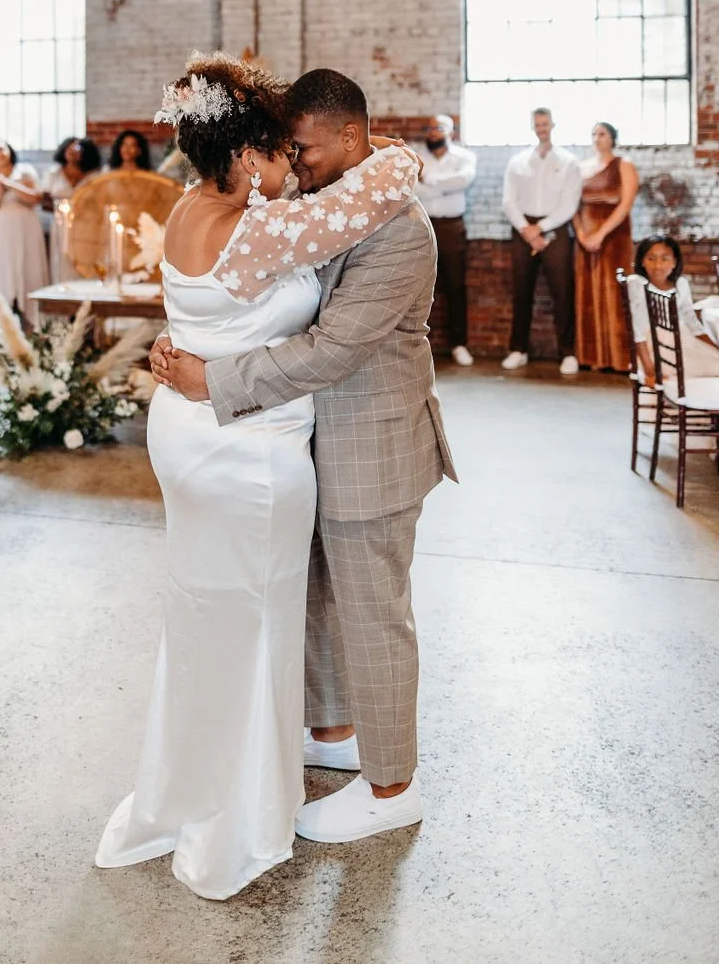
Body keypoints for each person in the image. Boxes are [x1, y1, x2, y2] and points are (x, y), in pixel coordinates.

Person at [144, 65, 455, 875]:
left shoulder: (399, 231)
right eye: (289, 151)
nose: (299, 166)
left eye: (308, 149)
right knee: (318, 600)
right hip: (298, 442)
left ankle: (393, 791)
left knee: (374, 614)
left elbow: (333, 348)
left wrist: (210, 377)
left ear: (351, 138)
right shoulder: (304, 208)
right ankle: (335, 735)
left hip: (372, 442)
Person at [501, 107, 583, 374]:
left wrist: (541, 228)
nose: (541, 128)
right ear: (532, 126)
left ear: (553, 125)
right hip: (523, 228)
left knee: (562, 292)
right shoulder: (518, 161)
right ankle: (518, 350)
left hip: (555, 228)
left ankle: (568, 352)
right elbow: (508, 201)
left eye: (545, 123)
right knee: (521, 292)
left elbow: (570, 204)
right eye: (537, 124)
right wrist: (527, 229)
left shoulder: (569, 162)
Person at [574, 121, 639, 371]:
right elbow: (573, 205)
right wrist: (581, 235)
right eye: (593, 134)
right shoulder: (582, 168)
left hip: (614, 237)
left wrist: (601, 234)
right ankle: (594, 358)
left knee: (615, 294)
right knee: (588, 295)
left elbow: (625, 205)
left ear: (612, 138)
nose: (597, 138)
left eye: (602, 134)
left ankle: (621, 358)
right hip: (585, 240)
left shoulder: (624, 165)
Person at [414, 113, 477, 366]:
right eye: (429, 128)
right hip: (421, 225)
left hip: (452, 226)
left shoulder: (465, 157)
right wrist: (444, 186)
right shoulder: (417, 156)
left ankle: (458, 344)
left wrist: (427, 180)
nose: (433, 132)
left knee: (454, 285)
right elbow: (412, 189)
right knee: (418, 286)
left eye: (439, 128)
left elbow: (462, 181)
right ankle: (415, 345)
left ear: (452, 131)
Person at [627, 236, 719, 384]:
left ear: (674, 262)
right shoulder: (637, 284)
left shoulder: (681, 284)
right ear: (642, 261)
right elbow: (637, 329)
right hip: (655, 349)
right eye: (651, 258)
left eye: (665, 259)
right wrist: (650, 370)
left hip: (681, 342)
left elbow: (693, 323)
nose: (658, 265)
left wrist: (715, 348)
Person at [0, 136, 48, 326]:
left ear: (9, 150)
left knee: (29, 268)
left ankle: (35, 322)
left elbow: (35, 198)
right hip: (2, 231)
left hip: (27, 227)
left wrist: (10, 184)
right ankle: (3, 323)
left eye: (1, 148)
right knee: (3, 271)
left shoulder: (24, 171)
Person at [42, 136, 101, 283]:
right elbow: (44, 201)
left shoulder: (94, 175)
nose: (72, 151)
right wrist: (61, 210)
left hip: (86, 224)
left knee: (85, 258)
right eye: (69, 147)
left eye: (77, 148)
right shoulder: (54, 173)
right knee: (62, 259)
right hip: (61, 224)